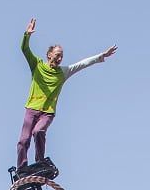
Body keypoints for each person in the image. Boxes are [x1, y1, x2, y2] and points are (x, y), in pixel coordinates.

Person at [13, 18, 115, 176]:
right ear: (49, 55)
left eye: (62, 56)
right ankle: (21, 168)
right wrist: (27, 35)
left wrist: (101, 56)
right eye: (58, 55)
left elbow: (82, 64)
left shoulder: (63, 72)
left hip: (47, 112)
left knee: (38, 131)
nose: (60, 58)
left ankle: (40, 162)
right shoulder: (37, 65)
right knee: (23, 140)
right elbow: (24, 49)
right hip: (31, 109)